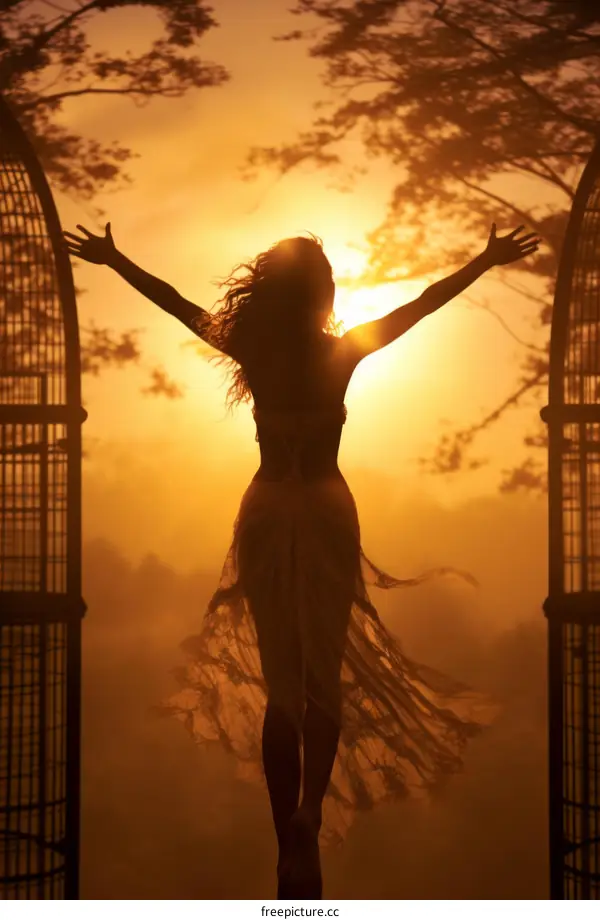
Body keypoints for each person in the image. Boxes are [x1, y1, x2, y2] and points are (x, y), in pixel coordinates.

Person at [64, 220, 539, 898]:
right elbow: (423, 302)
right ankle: (309, 811)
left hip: (265, 515)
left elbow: (173, 301)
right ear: (321, 295)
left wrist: (114, 260)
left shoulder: (252, 350)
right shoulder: (340, 353)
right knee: (325, 673)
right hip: (323, 515)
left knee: (281, 678)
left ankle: (286, 833)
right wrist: (485, 260)